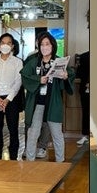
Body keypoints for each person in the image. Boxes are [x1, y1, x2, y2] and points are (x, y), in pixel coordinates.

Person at [22, 32, 73, 163]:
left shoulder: (59, 61)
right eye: (42, 44)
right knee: (33, 133)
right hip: (37, 103)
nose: (44, 47)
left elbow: (70, 74)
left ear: (52, 46)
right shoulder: (33, 62)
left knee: (57, 133)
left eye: (47, 44)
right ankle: (29, 161)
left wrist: (65, 76)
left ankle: (60, 162)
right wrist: (38, 79)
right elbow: (25, 76)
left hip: (53, 103)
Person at [0, 33, 23, 160]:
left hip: (11, 99)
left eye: (8, 43)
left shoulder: (18, 62)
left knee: (13, 128)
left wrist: (8, 99)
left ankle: (13, 155)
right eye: (3, 43)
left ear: (12, 46)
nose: (5, 45)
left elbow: (18, 82)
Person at [76, 49, 89, 146]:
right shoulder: (84, 56)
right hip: (86, 89)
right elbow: (79, 73)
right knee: (86, 112)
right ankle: (85, 135)